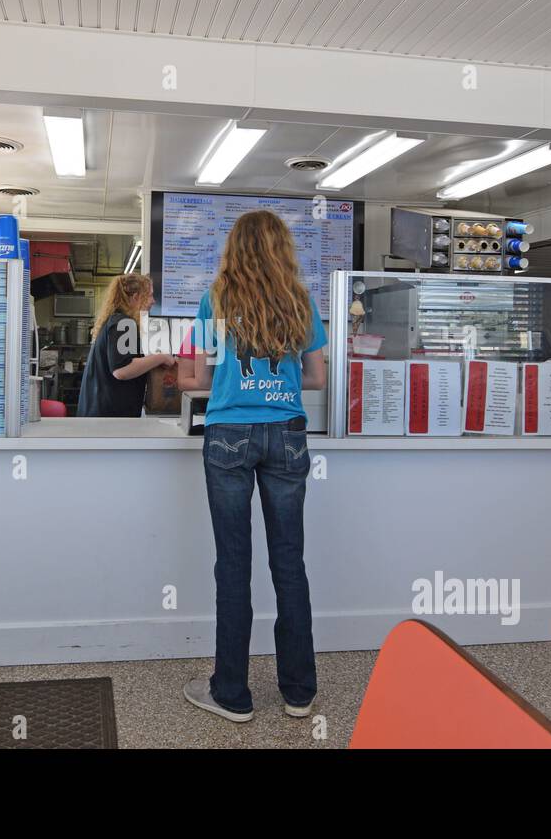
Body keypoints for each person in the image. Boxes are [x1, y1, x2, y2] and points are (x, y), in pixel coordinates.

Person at [183, 210, 328, 724]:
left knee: (233, 565)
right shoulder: (299, 300)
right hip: (287, 433)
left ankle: (232, 694)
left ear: (234, 248)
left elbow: (196, 375)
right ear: (283, 248)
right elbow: (316, 378)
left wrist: (228, 380)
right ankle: (299, 691)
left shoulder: (215, 299)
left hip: (228, 435)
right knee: (289, 564)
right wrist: (279, 382)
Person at [77, 274, 175, 417]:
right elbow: (122, 369)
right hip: (108, 419)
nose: (153, 301)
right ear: (135, 297)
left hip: (100, 414)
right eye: (149, 296)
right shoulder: (124, 323)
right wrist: (161, 357)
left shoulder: (118, 321)